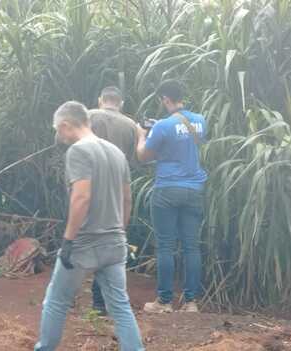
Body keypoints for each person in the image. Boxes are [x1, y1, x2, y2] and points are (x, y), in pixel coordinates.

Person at [35, 101, 144, 351]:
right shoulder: (116, 153)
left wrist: (68, 240)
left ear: (65, 125)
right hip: (114, 243)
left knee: (56, 301)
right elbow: (127, 199)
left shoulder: (78, 151)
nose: (59, 135)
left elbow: (81, 197)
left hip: (84, 242)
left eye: (58, 130)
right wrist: (120, 233)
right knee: (120, 306)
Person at [135, 80, 207, 313]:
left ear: (165, 99)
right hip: (194, 189)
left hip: (167, 189)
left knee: (165, 245)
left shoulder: (163, 126)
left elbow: (143, 156)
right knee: (191, 247)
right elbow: (186, 143)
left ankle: (164, 302)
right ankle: (191, 302)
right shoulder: (200, 120)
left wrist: (141, 136)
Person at [88, 86, 138, 316]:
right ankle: (101, 300)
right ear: (121, 103)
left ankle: (67, 294)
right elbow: (134, 159)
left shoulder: (87, 116)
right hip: (117, 190)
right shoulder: (131, 125)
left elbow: (63, 139)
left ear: (101, 100)